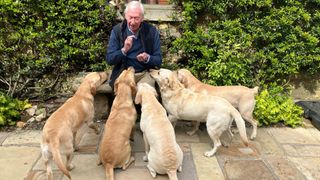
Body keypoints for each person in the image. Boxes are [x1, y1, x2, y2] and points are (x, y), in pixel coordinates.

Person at [106, 0, 162, 89]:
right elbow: (110, 59)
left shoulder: (151, 31)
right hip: (124, 73)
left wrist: (147, 58)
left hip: (144, 74)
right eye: (130, 17)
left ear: (142, 18)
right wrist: (124, 50)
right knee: (124, 93)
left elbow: (158, 60)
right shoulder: (117, 31)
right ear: (125, 16)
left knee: (147, 93)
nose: (133, 22)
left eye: (136, 18)